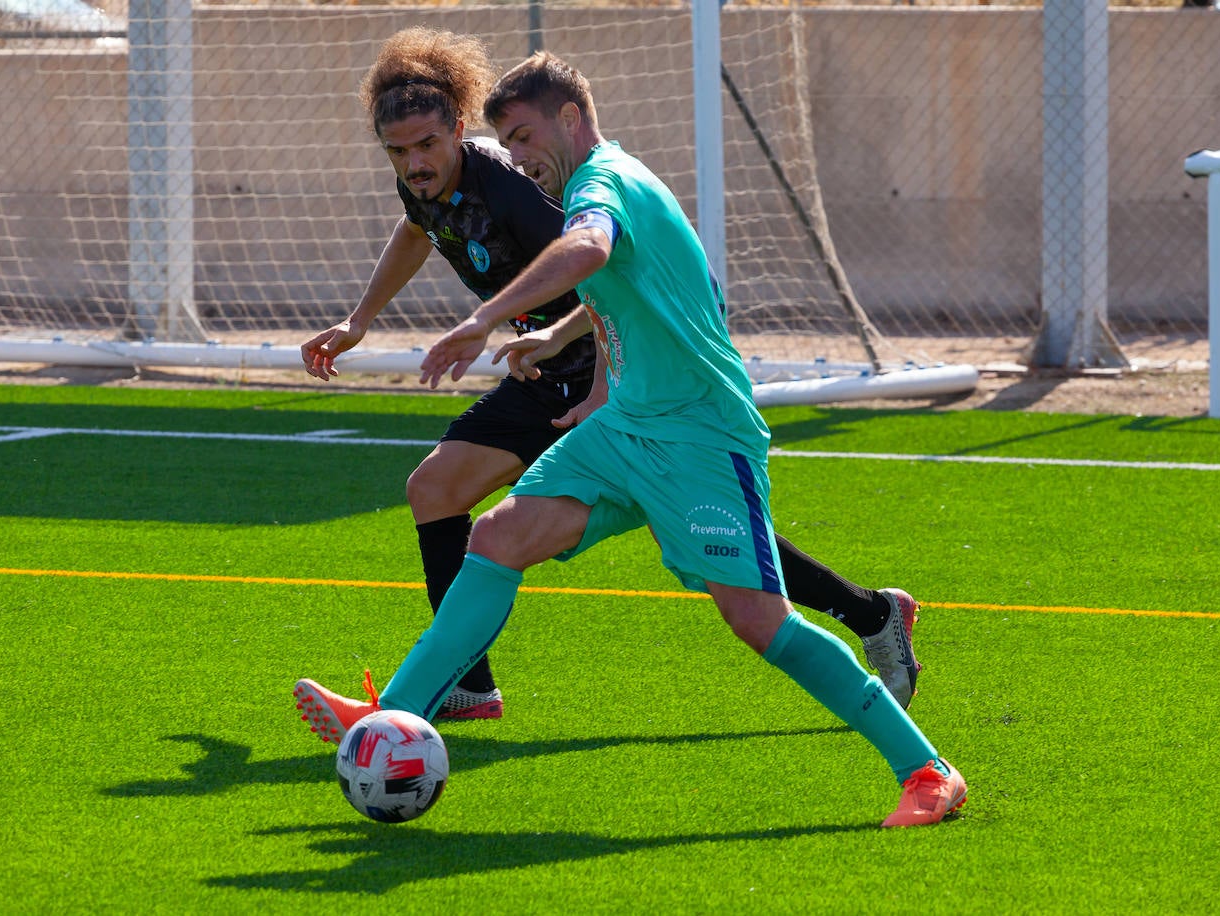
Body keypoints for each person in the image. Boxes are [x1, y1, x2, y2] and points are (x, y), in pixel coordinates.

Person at [295, 51, 966, 827]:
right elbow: (630, 284)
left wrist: (485, 318)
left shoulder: (603, 183)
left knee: (757, 621)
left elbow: (589, 250)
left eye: (522, 135)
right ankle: (397, 716)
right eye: (505, 142)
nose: (515, 155)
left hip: (699, 435)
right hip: (624, 427)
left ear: (572, 119)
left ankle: (927, 770)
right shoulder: (591, 183)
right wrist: (566, 347)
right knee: (496, 537)